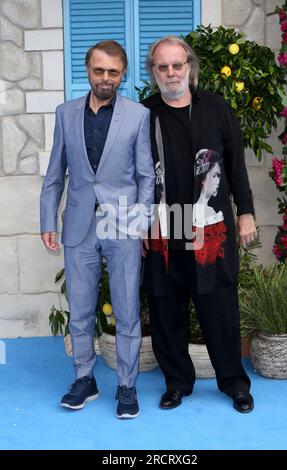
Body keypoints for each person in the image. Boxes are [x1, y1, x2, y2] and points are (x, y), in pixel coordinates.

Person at [142, 36, 257, 413]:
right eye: (163, 67)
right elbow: (134, 176)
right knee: (166, 310)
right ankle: (176, 383)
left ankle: (235, 384)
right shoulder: (146, 114)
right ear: (153, 72)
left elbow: (236, 164)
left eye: (177, 65)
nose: (171, 73)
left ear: (189, 67)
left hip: (211, 231)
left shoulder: (216, 108)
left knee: (220, 309)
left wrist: (246, 212)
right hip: (164, 230)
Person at [40, 40, 154, 419]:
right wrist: (47, 220)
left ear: (123, 75)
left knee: (126, 311)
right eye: (99, 70)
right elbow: (55, 174)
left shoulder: (137, 115)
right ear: (87, 71)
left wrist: (140, 226)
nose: (105, 78)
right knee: (81, 311)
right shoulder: (65, 113)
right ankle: (84, 378)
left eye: (113, 72)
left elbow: (145, 177)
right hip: (78, 226)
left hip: (122, 225)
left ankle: (126, 386)